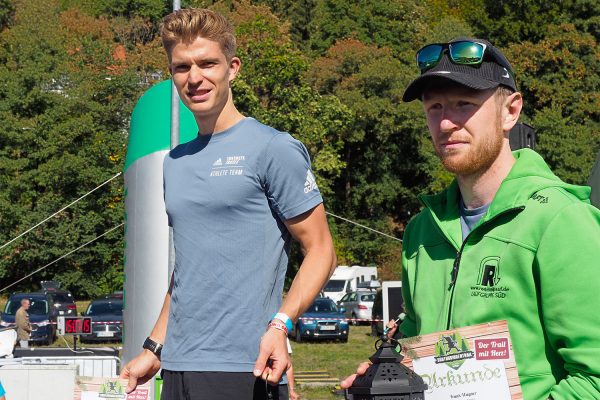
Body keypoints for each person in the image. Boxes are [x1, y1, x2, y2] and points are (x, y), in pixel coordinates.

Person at [341, 38, 600, 399]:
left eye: (465, 104)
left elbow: (594, 379)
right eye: (434, 107)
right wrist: (388, 374)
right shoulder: (420, 231)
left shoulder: (562, 220)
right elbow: (417, 353)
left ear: (511, 111)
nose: (446, 122)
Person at [120, 8, 336, 400]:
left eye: (207, 63)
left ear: (232, 68)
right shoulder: (175, 162)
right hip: (179, 367)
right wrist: (154, 348)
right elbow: (186, 271)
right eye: (182, 67)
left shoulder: (273, 148)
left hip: (245, 367)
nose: (194, 78)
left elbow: (321, 250)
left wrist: (280, 326)